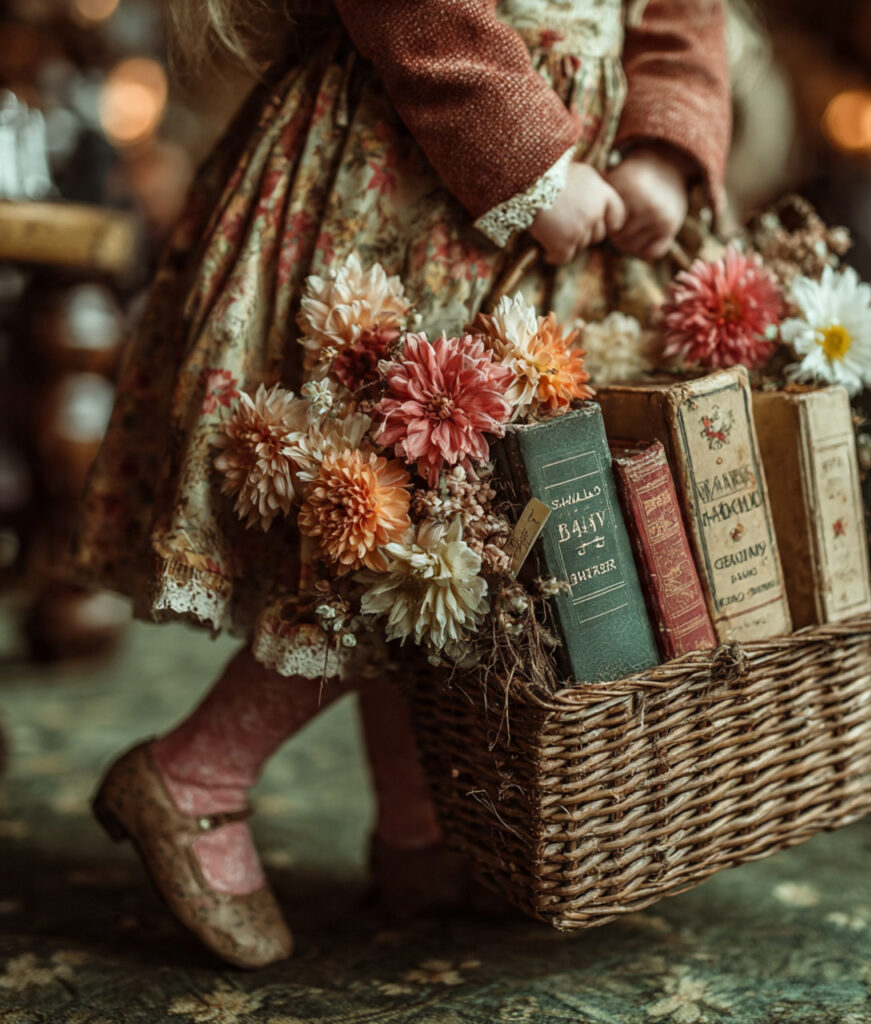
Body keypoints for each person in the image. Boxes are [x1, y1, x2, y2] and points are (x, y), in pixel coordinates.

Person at [76, 0, 731, 969]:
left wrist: (668, 143)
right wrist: (528, 162)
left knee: (490, 531)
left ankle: (417, 832)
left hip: (585, 191)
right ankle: (196, 773)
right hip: (417, 159)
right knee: (393, 507)